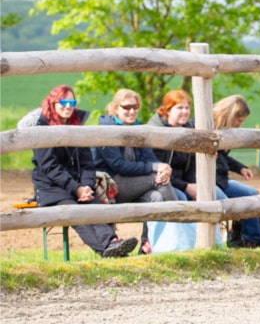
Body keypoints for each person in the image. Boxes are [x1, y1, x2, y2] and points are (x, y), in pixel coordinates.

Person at [30, 85, 139, 258]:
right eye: (63, 102)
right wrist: (76, 188)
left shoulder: (78, 127)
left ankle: (112, 243)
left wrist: (86, 186)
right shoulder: (40, 128)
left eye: (72, 102)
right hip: (51, 188)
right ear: (53, 103)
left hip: (78, 186)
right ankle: (107, 249)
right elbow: (49, 167)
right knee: (76, 214)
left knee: (94, 209)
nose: (68, 106)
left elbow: (88, 163)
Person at [92, 88, 178, 254]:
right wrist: (156, 169)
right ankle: (182, 228)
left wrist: (162, 169)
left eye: (135, 106)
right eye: (126, 107)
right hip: (112, 185)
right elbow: (118, 165)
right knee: (158, 181)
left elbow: (150, 157)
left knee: (157, 197)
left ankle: (148, 245)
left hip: (135, 184)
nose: (132, 111)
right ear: (115, 108)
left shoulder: (139, 128)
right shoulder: (106, 129)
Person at [146, 89, 225, 250]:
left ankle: (215, 242)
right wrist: (187, 187)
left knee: (218, 196)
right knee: (180, 199)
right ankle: (174, 245)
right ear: (167, 110)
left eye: (187, 108)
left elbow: (193, 163)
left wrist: (195, 185)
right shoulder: (157, 131)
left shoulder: (190, 130)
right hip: (163, 182)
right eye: (179, 108)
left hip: (186, 182)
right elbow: (157, 169)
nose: (184, 112)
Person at [213, 95, 260, 248]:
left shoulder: (223, 131)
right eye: (239, 120)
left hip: (221, 180)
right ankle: (232, 240)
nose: (239, 125)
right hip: (206, 181)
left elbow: (223, 159)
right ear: (229, 115)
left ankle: (252, 241)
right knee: (229, 206)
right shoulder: (206, 126)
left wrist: (240, 168)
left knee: (251, 195)